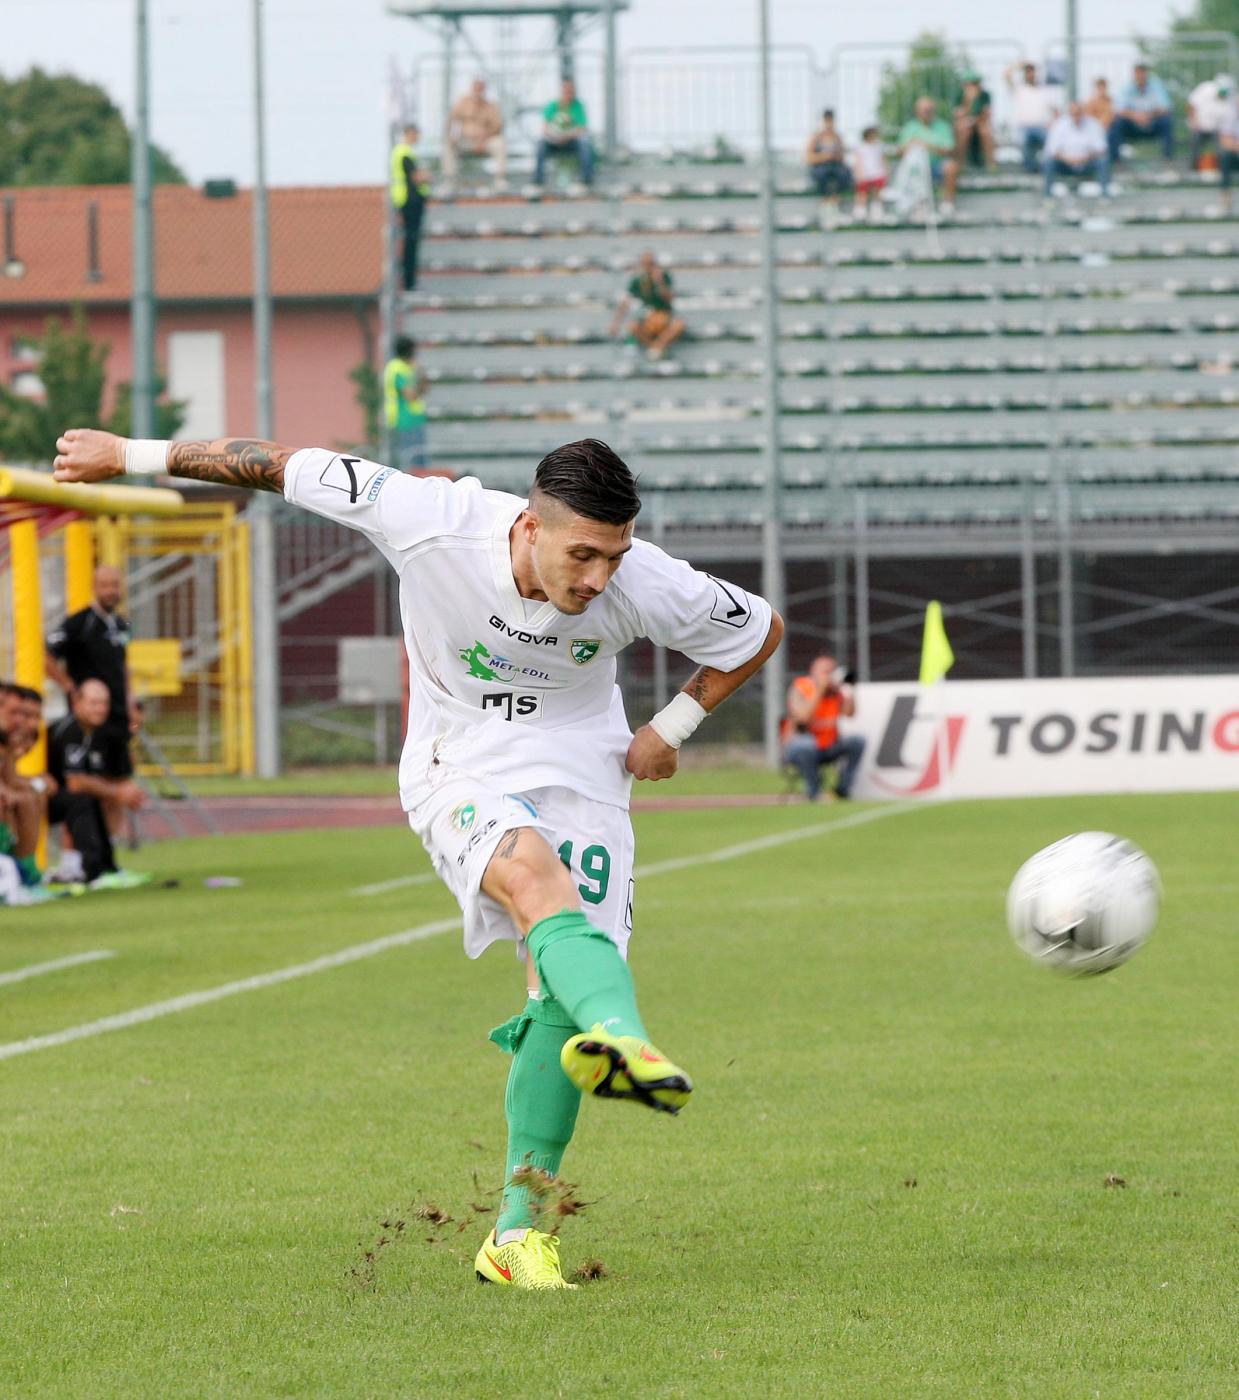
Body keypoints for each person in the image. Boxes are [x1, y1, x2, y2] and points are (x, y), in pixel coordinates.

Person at [51, 426, 784, 1291]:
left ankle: (515, 1235)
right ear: (528, 527)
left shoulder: (642, 580)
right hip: (457, 759)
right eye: (582, 555)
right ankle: (622, 1037)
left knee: (558, 985)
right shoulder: (429, 518)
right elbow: (278, 467)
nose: (597, 579)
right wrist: (129, 455)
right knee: (533, 883)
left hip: (582, 771)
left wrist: (671, 728)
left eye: (612, 557)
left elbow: (756, 629)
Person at [45, 563, 139, 834]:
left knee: (119, 785)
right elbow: (46, 655)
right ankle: (80, 853)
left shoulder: (122, 624)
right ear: (94, 587)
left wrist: (131, 702)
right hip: (90, 723)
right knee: (86, 790)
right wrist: (69, 687)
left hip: (118, 719)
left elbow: (123, 665)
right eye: (105, 585)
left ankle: (109, 851)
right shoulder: (78, 622)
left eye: (115, 585)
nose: (111, 591)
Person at [46, 679, 147, 889]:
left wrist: (118, 791)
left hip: (60, 796)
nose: (100, 709)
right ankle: (89, 870)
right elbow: (75, 782)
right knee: (83, 799)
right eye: (93, 703)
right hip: (44, 795)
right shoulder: (71, 731)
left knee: (98, 797)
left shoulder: (94, 732)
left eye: (104, 703)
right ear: (77, 703)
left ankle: (105, 866)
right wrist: (118, 791)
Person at [781, 655, 864, 802]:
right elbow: (804, 717)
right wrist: (820, 689)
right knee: (807, 745)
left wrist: (849, 689)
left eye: (832, 671)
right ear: (814, 672)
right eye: (826, 671)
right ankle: (814, 792)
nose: (830, 675)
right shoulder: (801, 687)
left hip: (828, 746)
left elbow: (850, 713)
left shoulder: (835, 692)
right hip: (799, 747)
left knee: (857, 742)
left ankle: (843, 789)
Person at [0, 682, 54, 897]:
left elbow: (10, 779)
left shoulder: (6, 740)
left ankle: (23, 873)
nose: (20, 721)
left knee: (29, 798)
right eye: (14, 713)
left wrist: (36, 783)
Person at [608, 251, 686, 362]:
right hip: (648, 318)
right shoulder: (638, 280)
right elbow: (626, 302)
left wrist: (659, 282)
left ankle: (656, 348)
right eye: (645, 264)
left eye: (651, 264)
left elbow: (669, 299)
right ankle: (654, 348)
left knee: (679, 325)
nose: (648, 267)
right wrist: (615, 323)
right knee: (632, 326)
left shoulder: (664, 277)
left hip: (664, 316)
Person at [896, 96, 959, 214]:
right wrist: (910, 145)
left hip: (936, 166)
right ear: (917, 111)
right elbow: (899, 152)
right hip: (916, 168)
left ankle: (947, 203)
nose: (927, 113)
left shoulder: (943, 126)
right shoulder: (909, 127)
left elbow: (949, 150)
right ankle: (917, 204)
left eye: (929, 110)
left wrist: (928, 146)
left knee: (951, 166)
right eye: (924, 110)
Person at [443, 78, 508, 188]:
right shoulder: (463, 102)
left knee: (500, 143)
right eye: (476, 89)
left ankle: (500, 180)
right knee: (448, 145)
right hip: (465, 141)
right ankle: (449, 181)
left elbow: (497, 127)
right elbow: (452, 120)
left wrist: (483, 139)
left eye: (481, 89)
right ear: (472, 89)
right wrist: (452, 136)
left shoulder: (490, 105)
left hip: (485, 142)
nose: (478, 92)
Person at [534, 79, 594, 188]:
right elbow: (545, 128)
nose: (568, 94)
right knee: (541, 144)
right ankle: (538, 181)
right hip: (553, 142)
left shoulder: (578, 106)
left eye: (570, 92)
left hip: (571, 141)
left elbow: (582, 128)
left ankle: (586, 180)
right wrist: (555, 137)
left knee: (585, 143)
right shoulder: (553, 105)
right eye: (566, 92)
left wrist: (566, 136)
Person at [390, 123, 429, 292]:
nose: (418, 137)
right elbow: (416, 177)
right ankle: (409, 281)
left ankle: (409, 280)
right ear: (409, 134)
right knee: (411, 241)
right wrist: (427, 177)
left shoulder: (403, 152)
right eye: (416, 134)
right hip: (410, 199)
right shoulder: (404, 153)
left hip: (407, 199)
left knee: (410, 240)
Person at [1043, 101, 1111, 196]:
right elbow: (1051, 149)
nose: (1076, 117)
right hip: (1065, 164)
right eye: (1073, 114)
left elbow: (1102, 148)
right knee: (1048, 161)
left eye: (1078, 113)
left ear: (1083, 112)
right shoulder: (1060, 124)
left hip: (1087, 163)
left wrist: (1084, 158)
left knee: (1103, 160)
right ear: (1069, 113)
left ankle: (1105, 194)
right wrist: (1067, 159)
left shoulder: (1093, 124)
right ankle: (1047, 194)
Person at [1109, 64, 1174, 163]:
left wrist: (1148, 116)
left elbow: (1165, 107)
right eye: (1138, 74)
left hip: (1152, 124)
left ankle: (1167, 159)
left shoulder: (1156, 86)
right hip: (1132, 126)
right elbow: (1119, 109)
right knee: (1117, 123)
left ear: (1146, 74)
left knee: (1166, 121)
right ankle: (1116, 161)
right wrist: (1135, 116)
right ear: (1134, 75)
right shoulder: (1127, 88)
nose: (1140, 77)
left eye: (1142, 74)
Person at [1005, 62, 1060, 174]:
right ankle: (1030, 169)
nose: (1030, 74)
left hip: (1042, 126)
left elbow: (1056, 111)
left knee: (1052, 141)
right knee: (1024, 140)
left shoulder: (1044, 90)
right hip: (1024, 127)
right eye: (1028, 72)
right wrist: (1021, 63)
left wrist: (1052, 124)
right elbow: (1006, 74)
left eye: (1032, 71)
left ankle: (1048, 168)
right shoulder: (1019, 89)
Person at [383, 336, 429, 470]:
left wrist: (421, 376)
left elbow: (424, 388)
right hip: (403, 419)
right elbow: (410, 395)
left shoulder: (408, 367)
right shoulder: (396, 368)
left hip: (414, 417)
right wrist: (420, 376)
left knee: (418, 459)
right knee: (410, 461)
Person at [805, 109, 852, 222]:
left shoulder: (837, 137)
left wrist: (834, 156)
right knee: (821, 175)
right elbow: (809, 157)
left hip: (835, 166)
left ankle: (835, 202)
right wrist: (823, 156)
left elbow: (842, 156)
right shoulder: (816, 137)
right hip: (820, 166)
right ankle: (825, 203)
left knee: (844, 174)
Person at [1187, 73, 1235, 167]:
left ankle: (1221, 167)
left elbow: (1227, 120)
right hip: (1199, 127)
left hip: (1216, 130)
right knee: (1195, 141)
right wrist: (1195, 122)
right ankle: (1193, 166)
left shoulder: (1228, 100)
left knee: (1222, 146)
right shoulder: (1205, 89)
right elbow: (1192, 105)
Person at [954, 71, 994, 170]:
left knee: (985, 131)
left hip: (979, 123)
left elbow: (986, 114)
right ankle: (960, 164)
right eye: (971, 83)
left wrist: (975, 120)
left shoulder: (985, 95)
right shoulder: (959, 95)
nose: (974, 86)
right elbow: (958, 115)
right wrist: (968, 101)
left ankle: (991, 164)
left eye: (976, 83)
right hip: (964, 125)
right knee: (964, 130)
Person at [852, 125, 888, 220]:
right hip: (865, 174)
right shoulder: (861, 147)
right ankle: (860, 210)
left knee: (877, 192)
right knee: (862, 192)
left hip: (877, 173)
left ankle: (877, 209)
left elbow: (883, 159)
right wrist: (858, 172)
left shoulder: (879, 146)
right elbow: (858, 161)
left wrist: (886, 171)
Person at [1219, 98, 1239, 209]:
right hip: (1235, 156)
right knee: (1225, 157)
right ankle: (1225, 196)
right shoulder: (1230, 118)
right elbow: (1225, 141)